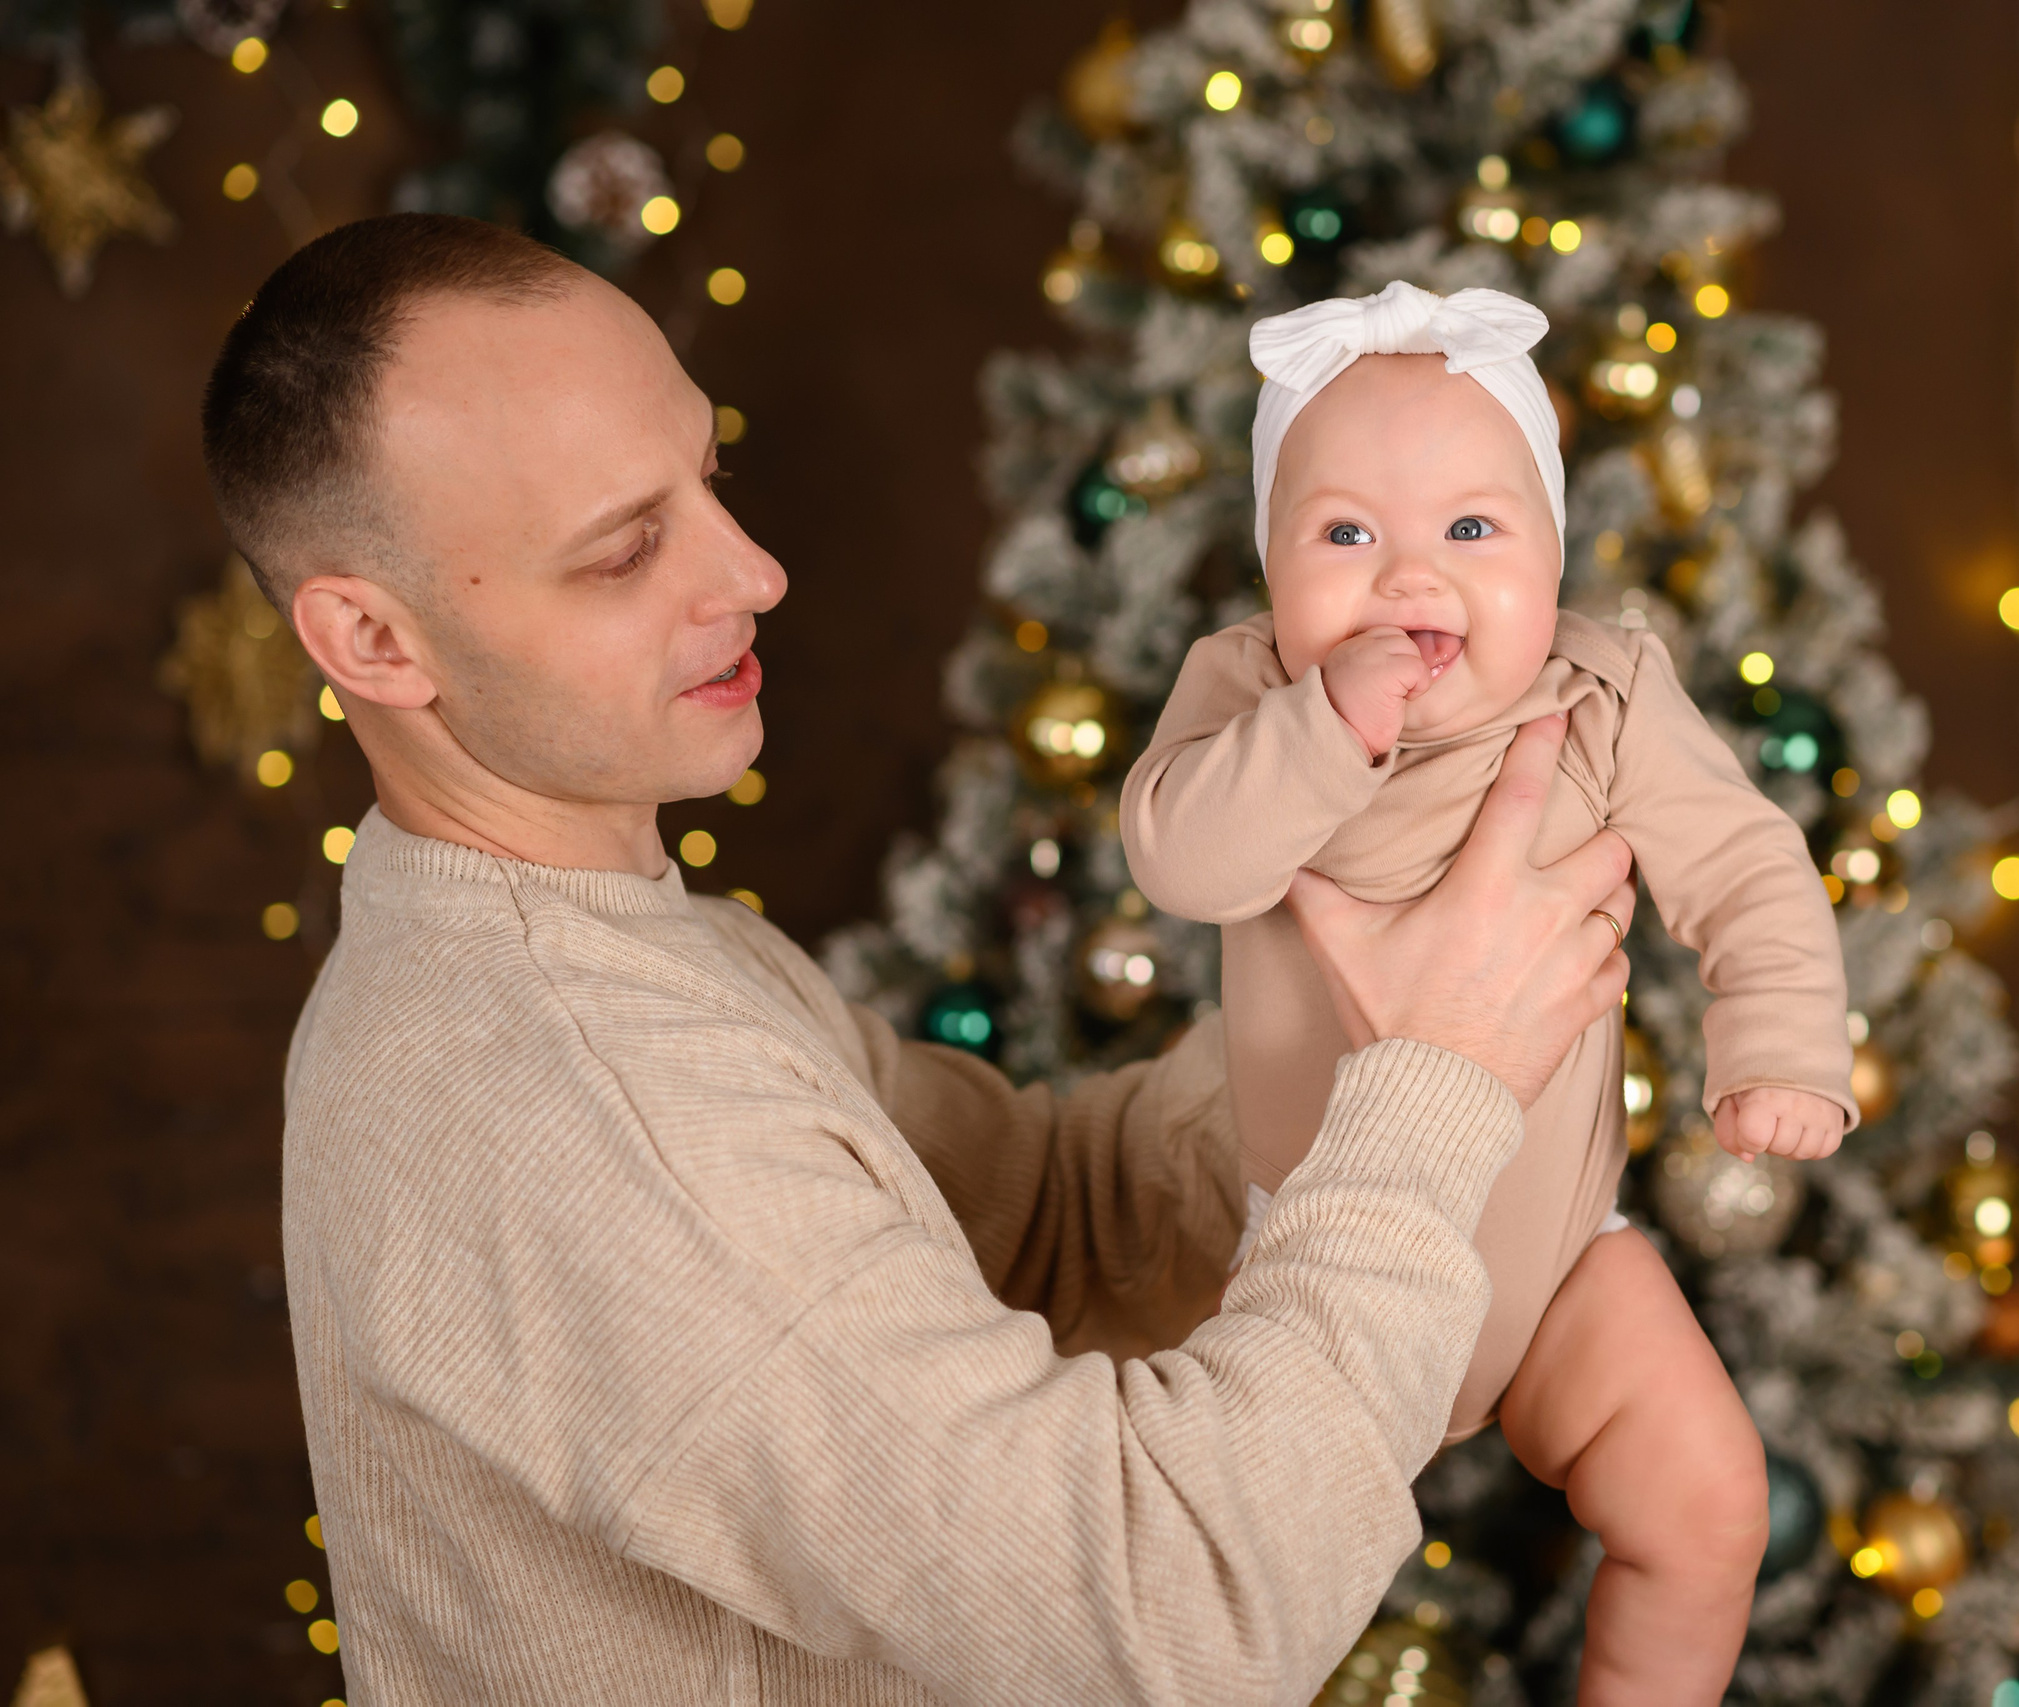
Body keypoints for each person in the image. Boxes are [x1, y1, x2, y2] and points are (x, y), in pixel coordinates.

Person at [200, 215, 1635, 1705]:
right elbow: (1169, 1616)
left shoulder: (624, 950)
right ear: (370, 640)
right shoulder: (575, 1089)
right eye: (627, 548)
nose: (750, 571)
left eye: (710, 479)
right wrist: (1437, 1083)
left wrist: (1378, 990)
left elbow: (1055, 1227)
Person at [1120, 282, 1856, 1702]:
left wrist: (1779, 1045)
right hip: (1305, 1250)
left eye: (1471, 528)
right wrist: (1323, 728)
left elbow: (1751, 866)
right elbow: (1184, 859)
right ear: (1270, 567)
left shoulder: (1606, 694)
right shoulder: (1247, 692)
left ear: (1551, 555)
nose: (1411, 579)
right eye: (1345, 535)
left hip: (1561, 1254)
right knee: (1242, 1600)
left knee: (1706, 1499)